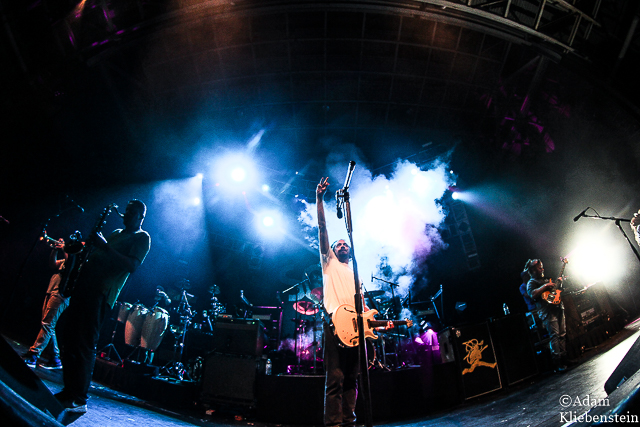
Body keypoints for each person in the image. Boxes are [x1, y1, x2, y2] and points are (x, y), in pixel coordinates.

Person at [55, 200, 151, 414]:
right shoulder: (116, 232)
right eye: (127, 210)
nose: (126, 214)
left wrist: (104, 246)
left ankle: (79, 397)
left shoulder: (142, 237)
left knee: (84, 342)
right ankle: (70, 390)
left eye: (132, 212)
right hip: (85, 286)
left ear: (141, 217)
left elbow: (131, 265)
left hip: (101, 293)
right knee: (66, 333)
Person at [316, 177, 391, 427]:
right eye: (338, 244)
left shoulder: (356, 273)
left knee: (352, 378)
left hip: (355, 329)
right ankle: (333, 425)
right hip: (334, 325)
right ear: (332, 251)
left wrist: (379, 324)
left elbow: (364, 308)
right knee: (335, 379)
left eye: (345, 243)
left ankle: (349, 421)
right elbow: (322, 228)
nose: (342, 245)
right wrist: (319, 199)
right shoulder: (329, 263)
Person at [23, 237, 76, 369]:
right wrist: (55, 250)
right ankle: (55, 359)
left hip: (61, 294)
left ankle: (33, 354)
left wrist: (64, 249)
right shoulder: (66, 260)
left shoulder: (76, 263)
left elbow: (70, 264)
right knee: (47, 325)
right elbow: (53, 264)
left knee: (47, 324)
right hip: (52, 290)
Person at [525, 258, 567, 372]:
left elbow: (555, 291)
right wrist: (545, 286)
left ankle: (564, 359)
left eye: (542, 267)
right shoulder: (531, 282)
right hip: (547, 312)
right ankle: (558, 363)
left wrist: (559, 283)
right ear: (533, 271)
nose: (542, 269)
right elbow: (532, 294)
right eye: (540, 268)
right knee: (555, 335)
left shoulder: (545, 279)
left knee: (562, 334)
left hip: (557, 307)